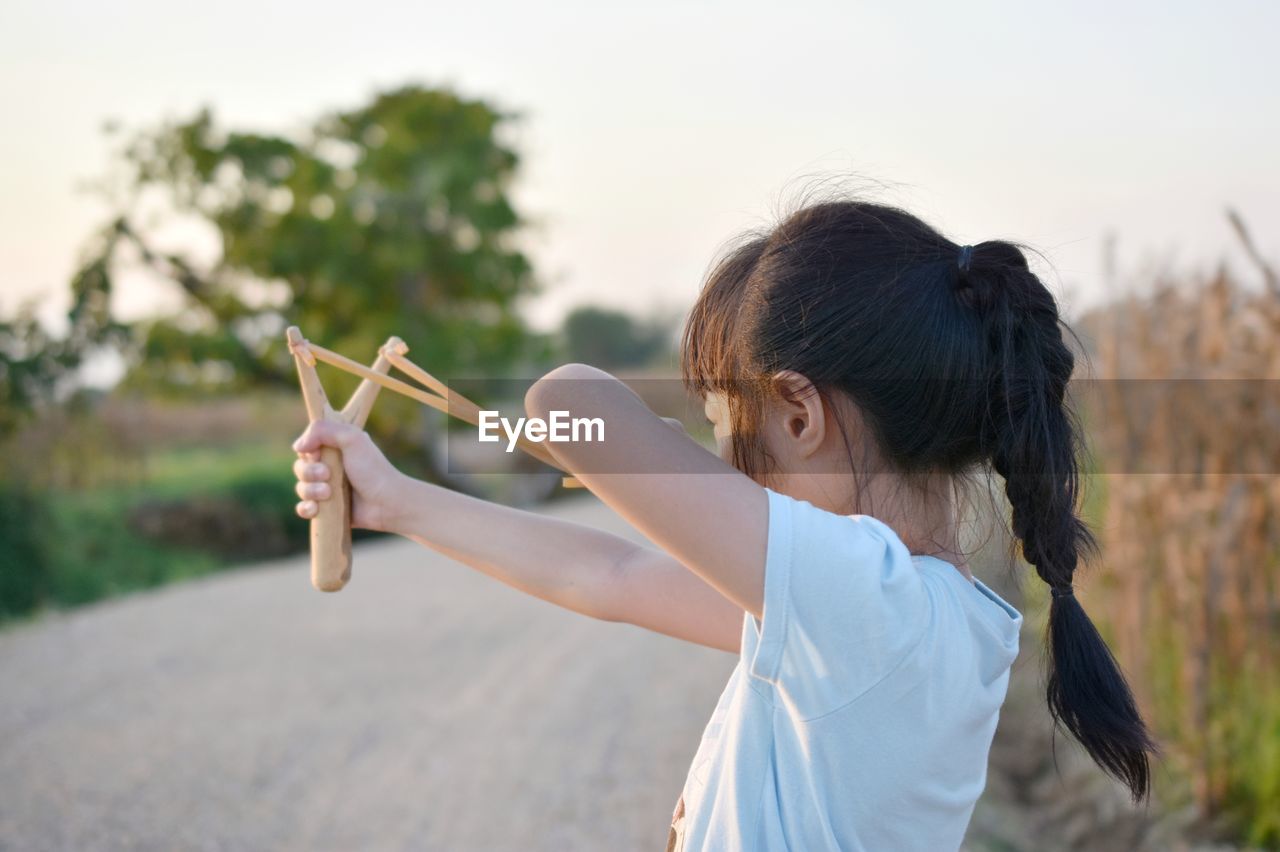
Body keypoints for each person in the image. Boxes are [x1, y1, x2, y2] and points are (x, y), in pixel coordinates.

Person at [291, 198, 1159, 851]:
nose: (724, 458)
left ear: (797, 412)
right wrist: (394, 500)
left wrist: (637, 445)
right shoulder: (916, 615)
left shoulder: (865, 597)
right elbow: (612, 578)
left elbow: (562, 400)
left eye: (725, 421)